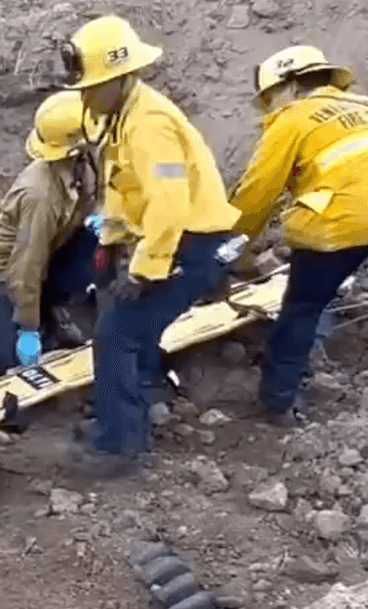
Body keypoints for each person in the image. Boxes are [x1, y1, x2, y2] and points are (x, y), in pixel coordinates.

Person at [231, 45, 368, 425]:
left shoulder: (291, 118)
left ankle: (277, 403)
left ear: (288, 87)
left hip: (341, 221)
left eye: (269, 98)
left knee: (303, 305)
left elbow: (256, 194)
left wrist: (229, 248)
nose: (270, 107)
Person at [59, 16, 243, 479]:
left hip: (190, 244)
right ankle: (128, 416)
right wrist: (111, 240)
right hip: (173, 241)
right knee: (127, 329)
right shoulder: (124, 118)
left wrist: (145, 270)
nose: (84, 96)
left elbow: (169, 202)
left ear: (119, 77)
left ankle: (118, 447)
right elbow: (125, 188)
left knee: (116, 334)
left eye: (91, 87)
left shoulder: (150, 125)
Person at [0, 90, 103, 375]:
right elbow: (27, 265)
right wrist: (27, 328)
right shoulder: (40, 195)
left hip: (55, 249)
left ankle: (51, 309)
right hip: (9, 270)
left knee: (98, 246)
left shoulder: (85, 162)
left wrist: (102, 224)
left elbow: (100, 194)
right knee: (2, 356)